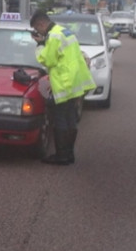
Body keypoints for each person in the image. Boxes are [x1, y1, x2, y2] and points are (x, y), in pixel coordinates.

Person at [30, 10, 95, 165]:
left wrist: (39, 44)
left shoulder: (53, 37)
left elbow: (48, 60)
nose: (38, 32)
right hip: (74, 81)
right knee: (71, 118)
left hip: (63, 83)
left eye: (37, 29)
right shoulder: (64, 32)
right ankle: (69, 154)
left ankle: (61, 156)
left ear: (41, 24)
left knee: (60, 118)